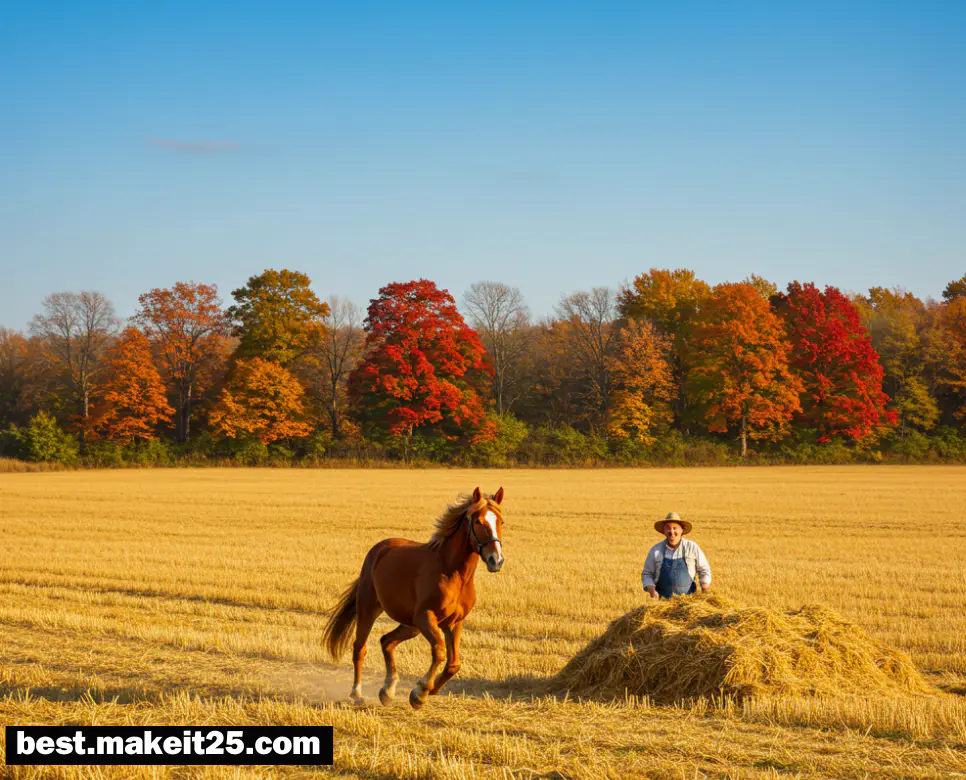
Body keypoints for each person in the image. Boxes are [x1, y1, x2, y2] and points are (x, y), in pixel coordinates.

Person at [641, 512, 712, 599]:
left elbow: (704, 570)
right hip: (663, 604)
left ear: (681, 530)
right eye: (668, 528)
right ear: (664, 531)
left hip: (688, 603)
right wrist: (652, 591)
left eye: (675, 528)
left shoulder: (692, 547)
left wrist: (704, 587)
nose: (671, 531)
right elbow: (647, 574)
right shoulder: (656, 550)